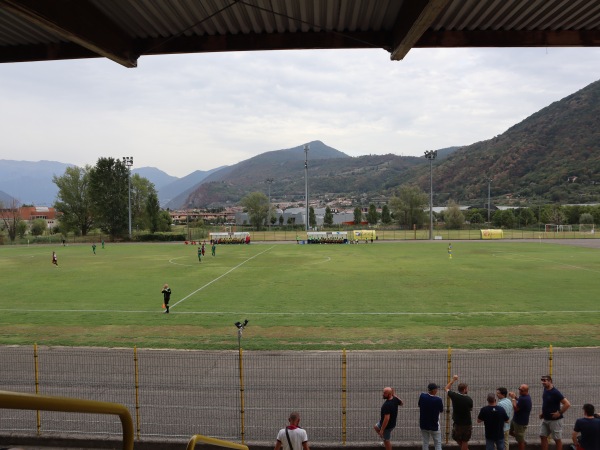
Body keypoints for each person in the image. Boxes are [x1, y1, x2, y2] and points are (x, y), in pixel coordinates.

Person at [540, 375, 571, 450]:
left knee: (557, 439)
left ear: (550, 381)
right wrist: (543, 413)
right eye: (542, 380)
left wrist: (559, 413)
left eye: (545, 380)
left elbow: (567, 404)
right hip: (546, 419)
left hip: (555, 421)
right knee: (542, 436)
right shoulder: (545, 389)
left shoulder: (555, 392)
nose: (543, 382)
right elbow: (547, 403)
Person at [446, 374, 473, 450]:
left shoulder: (454, 396)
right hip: (467, 423)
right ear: (464, 389)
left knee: (457, 437)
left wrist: (453, 380)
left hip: (457, 423)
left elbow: (446, 388)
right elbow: (470, 408)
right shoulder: (469, 399)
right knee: (465, 440)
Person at [418, 383, 444, 450]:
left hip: (423, 424)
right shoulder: (438, 399)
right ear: (434, 390)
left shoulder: (422, 396)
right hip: (434, 425)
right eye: (436, 389)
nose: (437, 390)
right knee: (437, 443)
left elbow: (419, 404)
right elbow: (441, 410)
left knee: (425, 442)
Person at [508, 384, 532, 450]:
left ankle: (521, 440)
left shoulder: (524, 399)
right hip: (516, 419)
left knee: (520, 442)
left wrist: (513, 398)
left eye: (521, 390)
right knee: (509, 431)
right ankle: (521, 439)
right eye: (519, 389)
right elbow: (520, 401)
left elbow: (516, 408)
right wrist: (515, 397)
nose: (519, 391)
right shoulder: (523, 396)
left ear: (526, 391)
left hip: (520, 423)